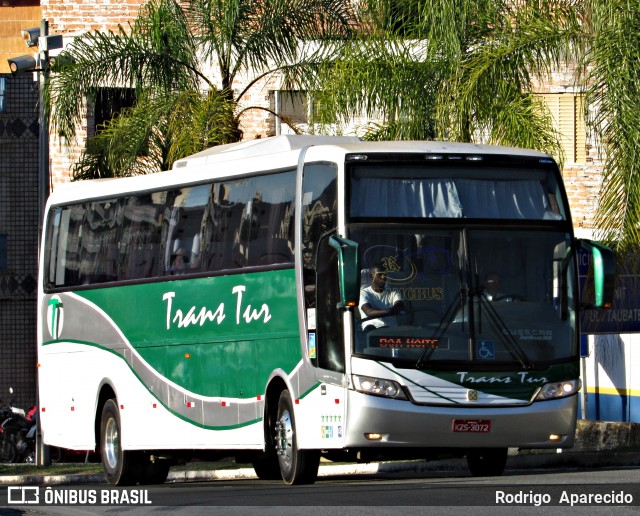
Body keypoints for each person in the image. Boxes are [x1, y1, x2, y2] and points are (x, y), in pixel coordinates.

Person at [359, 263, 405, 331]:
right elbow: (368, 311)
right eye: (380, 274)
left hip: (392, 330)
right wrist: (389, 311)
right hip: (372, 330)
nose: (383, 277)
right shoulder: (364, 293)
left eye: (385, 274)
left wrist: (395, 309)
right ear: (371, 276)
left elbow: (399, 306)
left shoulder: (393, 292)